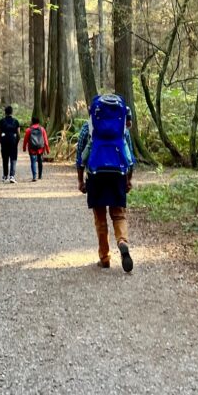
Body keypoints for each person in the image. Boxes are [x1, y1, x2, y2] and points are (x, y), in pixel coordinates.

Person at [76, 94, 134, 272]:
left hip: (96, 174)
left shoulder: (89, 126)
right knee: (119, 215)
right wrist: (128, 180)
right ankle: (122, 241)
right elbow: (129, 156)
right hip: (117, 174)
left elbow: (81, 155)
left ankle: (105, 257)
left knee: (100, 218)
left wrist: (80, 180)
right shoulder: (122, 130)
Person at [0, 105, 20, 183]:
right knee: (13, 159)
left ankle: (5, 176)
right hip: (13, 142)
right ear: (12, 112)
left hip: (4, 142)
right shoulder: (16, 121)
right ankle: (12, 176)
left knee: (5, 159)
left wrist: (1, 141)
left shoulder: (1, 121)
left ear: (5, 112)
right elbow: (18, 134)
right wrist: (16, 142)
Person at [22, 116, 50, 181]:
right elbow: (45, 140)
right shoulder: (42, 129)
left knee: (33, 162)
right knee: (40, 161)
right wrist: (47, 149)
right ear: (38, 122)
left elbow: (25, 140)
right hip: (40, 148)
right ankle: (40, 176)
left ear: (32, 121)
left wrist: (24, 148)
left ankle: (34, 176)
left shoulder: (29, 130)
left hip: (32, 149)